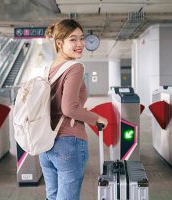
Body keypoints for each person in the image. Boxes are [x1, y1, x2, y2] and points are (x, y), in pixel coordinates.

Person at [39, 19, 108, 200]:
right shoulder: (75, 67)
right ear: (59, 43)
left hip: (46, 144)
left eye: (81, 38)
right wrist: (97, 118)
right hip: (68, 143)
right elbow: (69, 108)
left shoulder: (49, 68)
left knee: (52, 196)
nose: (80, 44)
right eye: (73, 39)